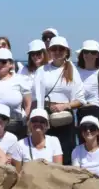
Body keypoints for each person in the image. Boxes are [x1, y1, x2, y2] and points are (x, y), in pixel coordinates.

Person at [33, 36, 85, 164]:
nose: (57, 52)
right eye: (54, 49)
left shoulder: (73, 70)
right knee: (46, 153)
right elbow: (37, 98)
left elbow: (80, 100)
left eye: (61, 49)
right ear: (49, 51)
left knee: (66, 153)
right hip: (46, 117)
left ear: (66, 51)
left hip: (65, 118)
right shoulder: (42, 70)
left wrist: (65, 106)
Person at [0, 48, 31, 138]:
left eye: (3, 61)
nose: (0, 64)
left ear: (11, 64)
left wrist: (26, 121)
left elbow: (28, 104)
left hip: (14, 128)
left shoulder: (20, 80)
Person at [76, 40, 99, 137]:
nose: (89, 55)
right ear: (82, 54)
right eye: (86, 52)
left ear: (97, 55)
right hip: (79, 112)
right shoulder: (76, 71)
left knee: (96, 146)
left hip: (95, 112)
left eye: (93, 52)